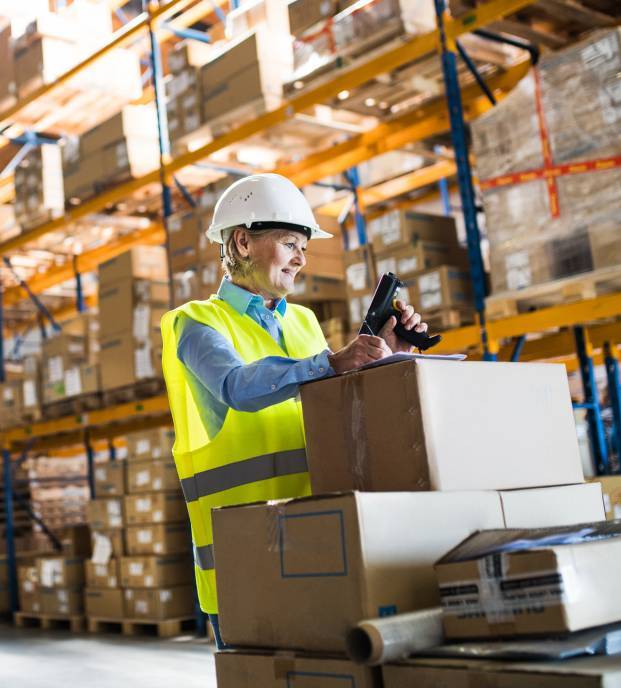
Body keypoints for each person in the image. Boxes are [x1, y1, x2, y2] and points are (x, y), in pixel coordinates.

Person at [159, 173, 429, 649]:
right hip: (243, 562)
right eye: (289, 243)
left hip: (322, 547)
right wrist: (332, 361)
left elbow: (335, 404)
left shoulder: (303, 323)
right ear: (242, 242)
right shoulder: (194, 323)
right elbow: (236, 386)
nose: (302, 259)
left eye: (304, 246)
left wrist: (387, 353)